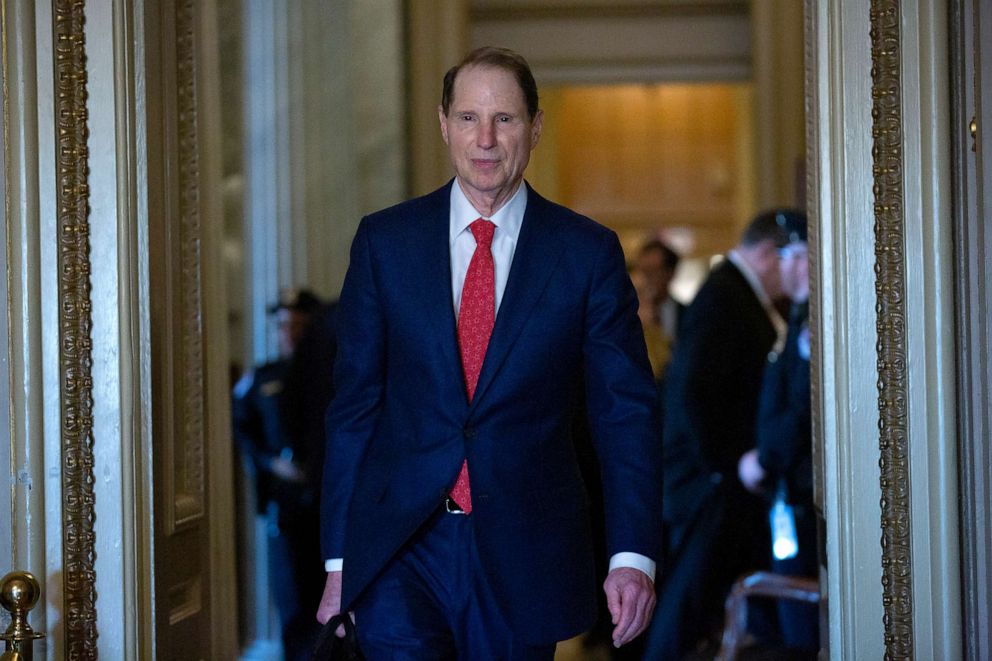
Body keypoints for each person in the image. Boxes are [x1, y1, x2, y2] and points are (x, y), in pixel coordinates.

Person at [315, 46, 663, 659]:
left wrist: (632, 555)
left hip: (523, 551)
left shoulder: (586, 254)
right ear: (444, 123)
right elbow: (355, 408)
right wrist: (340, 560)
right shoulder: (385, 243)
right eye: (469, 117)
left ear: (534, 127)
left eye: (504, 118)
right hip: (402, 543)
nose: (485, 138)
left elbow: (624, 412)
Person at [643, 210, 801, 659]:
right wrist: (728, 466)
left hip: (716, 478)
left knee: (707, 601)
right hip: (706, 482)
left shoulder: (732, 292)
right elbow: (694, 391)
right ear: (770, 255)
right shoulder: (724, 296)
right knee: (687, 603)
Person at [738, 215, 818, 652]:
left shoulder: (809, 325)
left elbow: (804, 408)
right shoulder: (797, 319)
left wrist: (765, 459)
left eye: (791, 256)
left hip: (798, 491)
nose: (784, 266)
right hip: (788, 490)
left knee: (800, 629)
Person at [232, 287, 324, 660]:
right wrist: (271, 463)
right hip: (283, 506)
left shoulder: (331, 373)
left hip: (324, 500)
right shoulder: (262, 377)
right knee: (292, 595)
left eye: (298, 326)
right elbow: (242, 428)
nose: (290, 334)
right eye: (283, 326)